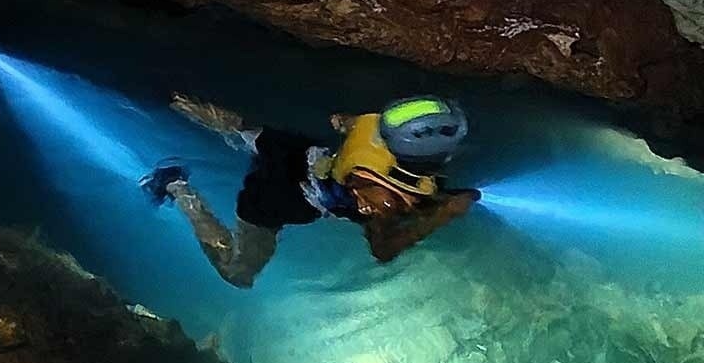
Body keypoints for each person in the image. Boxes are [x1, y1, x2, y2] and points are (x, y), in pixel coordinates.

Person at [142, 94, 480, 288]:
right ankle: (175, 185)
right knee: (238, 273)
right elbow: (382, 249)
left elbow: (344, 122)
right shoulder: (386, 204)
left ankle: (171, 99)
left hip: (295, 152)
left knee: (243, 131)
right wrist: (443, 216)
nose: (366, 209)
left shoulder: (376, 132)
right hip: (277, 201)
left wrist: (344, 123)